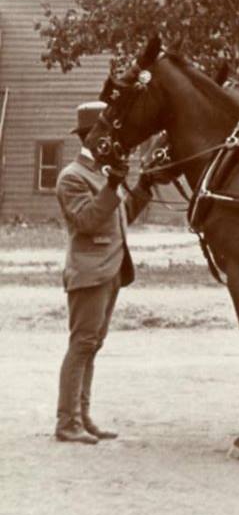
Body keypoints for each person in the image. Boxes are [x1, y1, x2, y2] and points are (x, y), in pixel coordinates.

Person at [53, 101, 153, 444]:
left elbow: (120, 217)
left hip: (109, 271)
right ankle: (67, 422)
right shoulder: (72, 176)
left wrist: (145, 185)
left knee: (91, 345)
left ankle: (81, 417)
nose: (115, 142)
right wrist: (113, 186)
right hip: (89, 273)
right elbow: (87, 221)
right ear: (91, 137)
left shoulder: (101, 174)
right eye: (109, 135)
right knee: (82, 344)